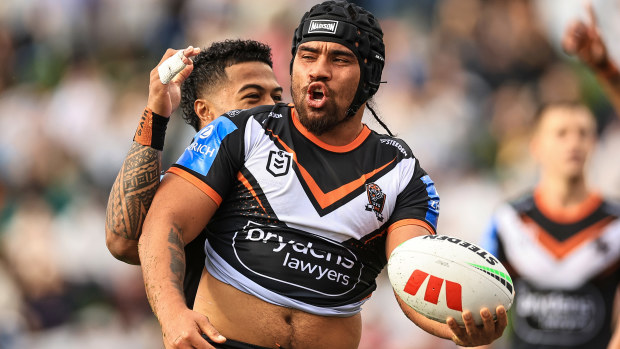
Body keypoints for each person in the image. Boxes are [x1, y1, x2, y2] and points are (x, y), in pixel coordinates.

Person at [138, 1, 507, 348]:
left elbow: (411, 279)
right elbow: (163, 223)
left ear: (370, 77)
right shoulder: (239, 131)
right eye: (307, 55)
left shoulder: (402, 172)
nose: (318, 69)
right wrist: (173, 317)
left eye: (340, 59)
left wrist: (455, 330)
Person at [105, 39, 283, 308]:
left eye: (277, 97)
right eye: (253, 97)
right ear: (205, 111)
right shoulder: (191, 186)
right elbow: (122, 241)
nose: (273, 108)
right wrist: (157, 108)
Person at [482, 101, 620, 349]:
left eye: (583, 133)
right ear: (536, 146)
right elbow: (479, 306)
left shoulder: (615, 224)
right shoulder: (508, 222)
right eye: (561, 133)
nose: (574, 143)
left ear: (594, 143)